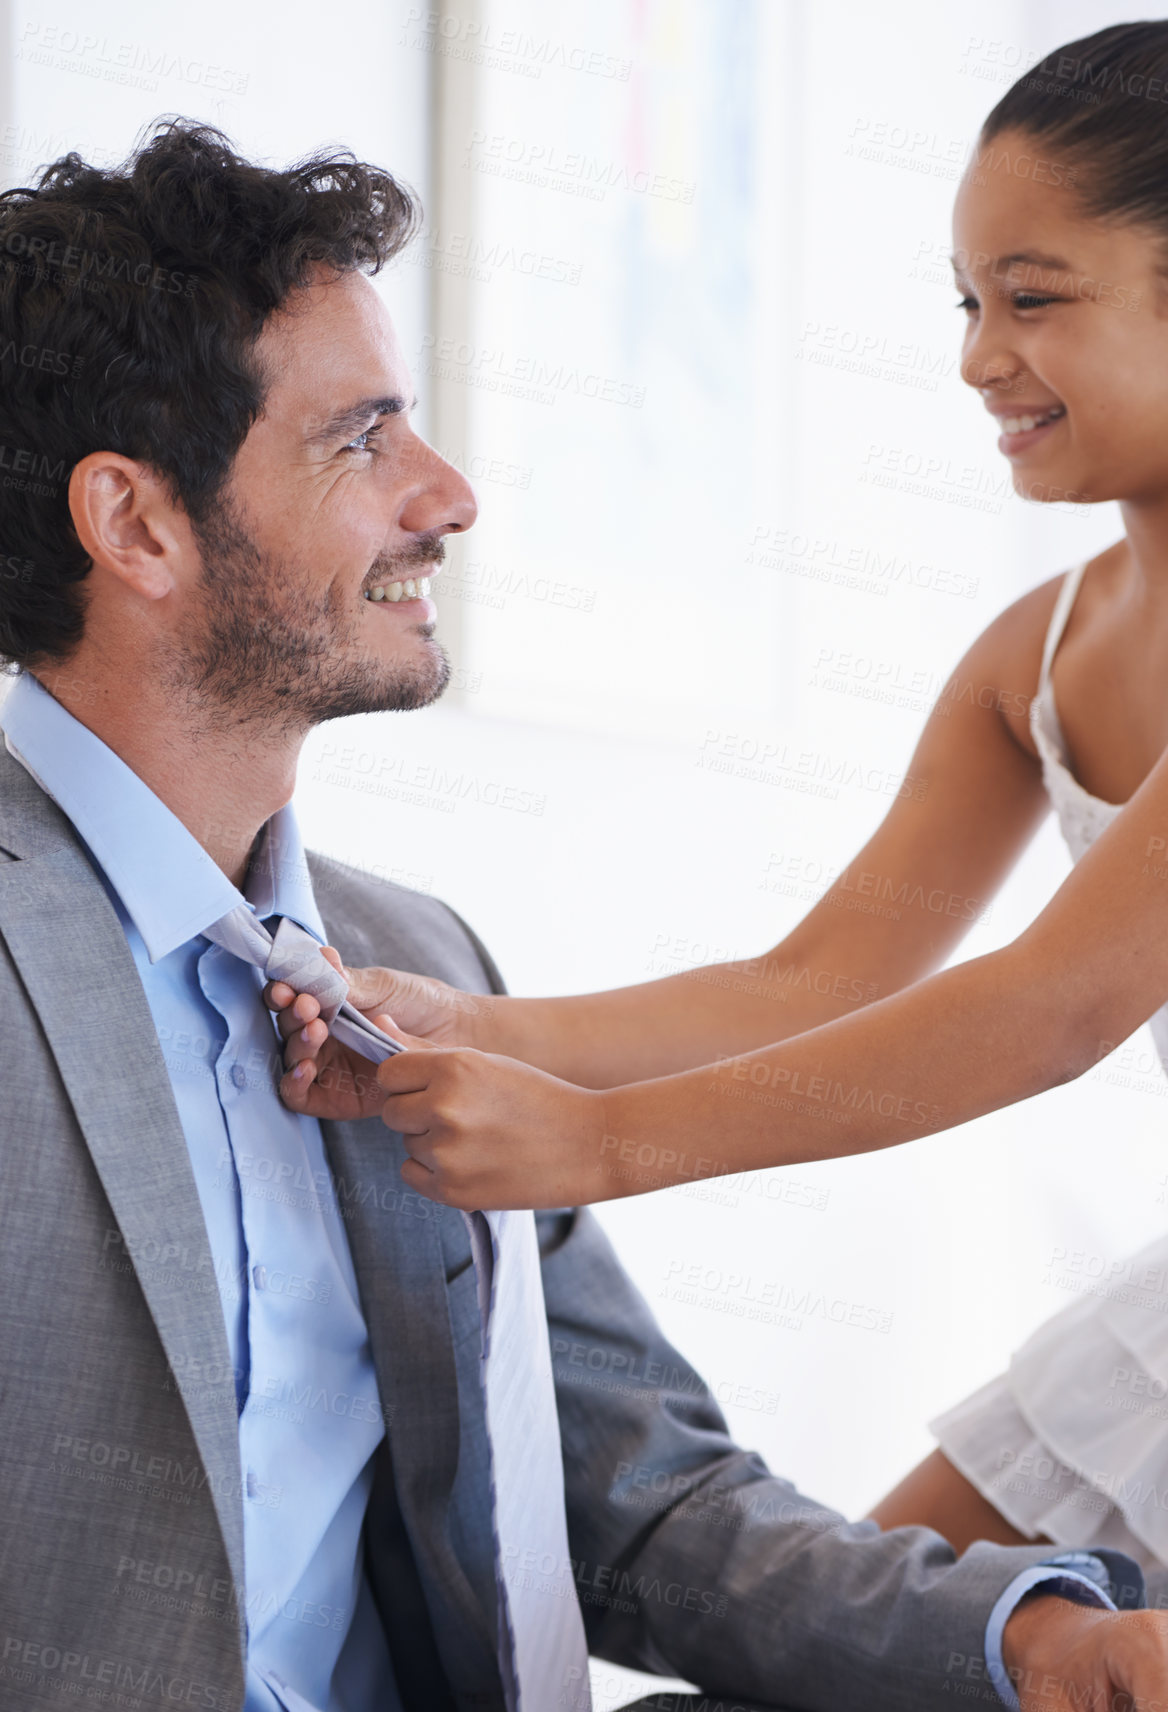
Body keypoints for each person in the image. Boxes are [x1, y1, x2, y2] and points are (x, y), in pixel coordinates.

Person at [2, 114, 1167, 1712]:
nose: (454, 494)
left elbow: (649, 1509)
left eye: (1034, 298)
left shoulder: (405, 956)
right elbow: (818, 979)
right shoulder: (409, 989)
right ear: (137, 524)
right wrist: (508, 1055)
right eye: (364, 439)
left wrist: (1040, 1644)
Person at [269, 20, 1168, 1591]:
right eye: (968, 303)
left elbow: (1059, 1005)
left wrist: (600, 1146)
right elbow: (815, 983)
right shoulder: (1032, 658)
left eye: (1034, 299)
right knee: (889, 1645)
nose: (976, 357)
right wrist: (483, 1031)